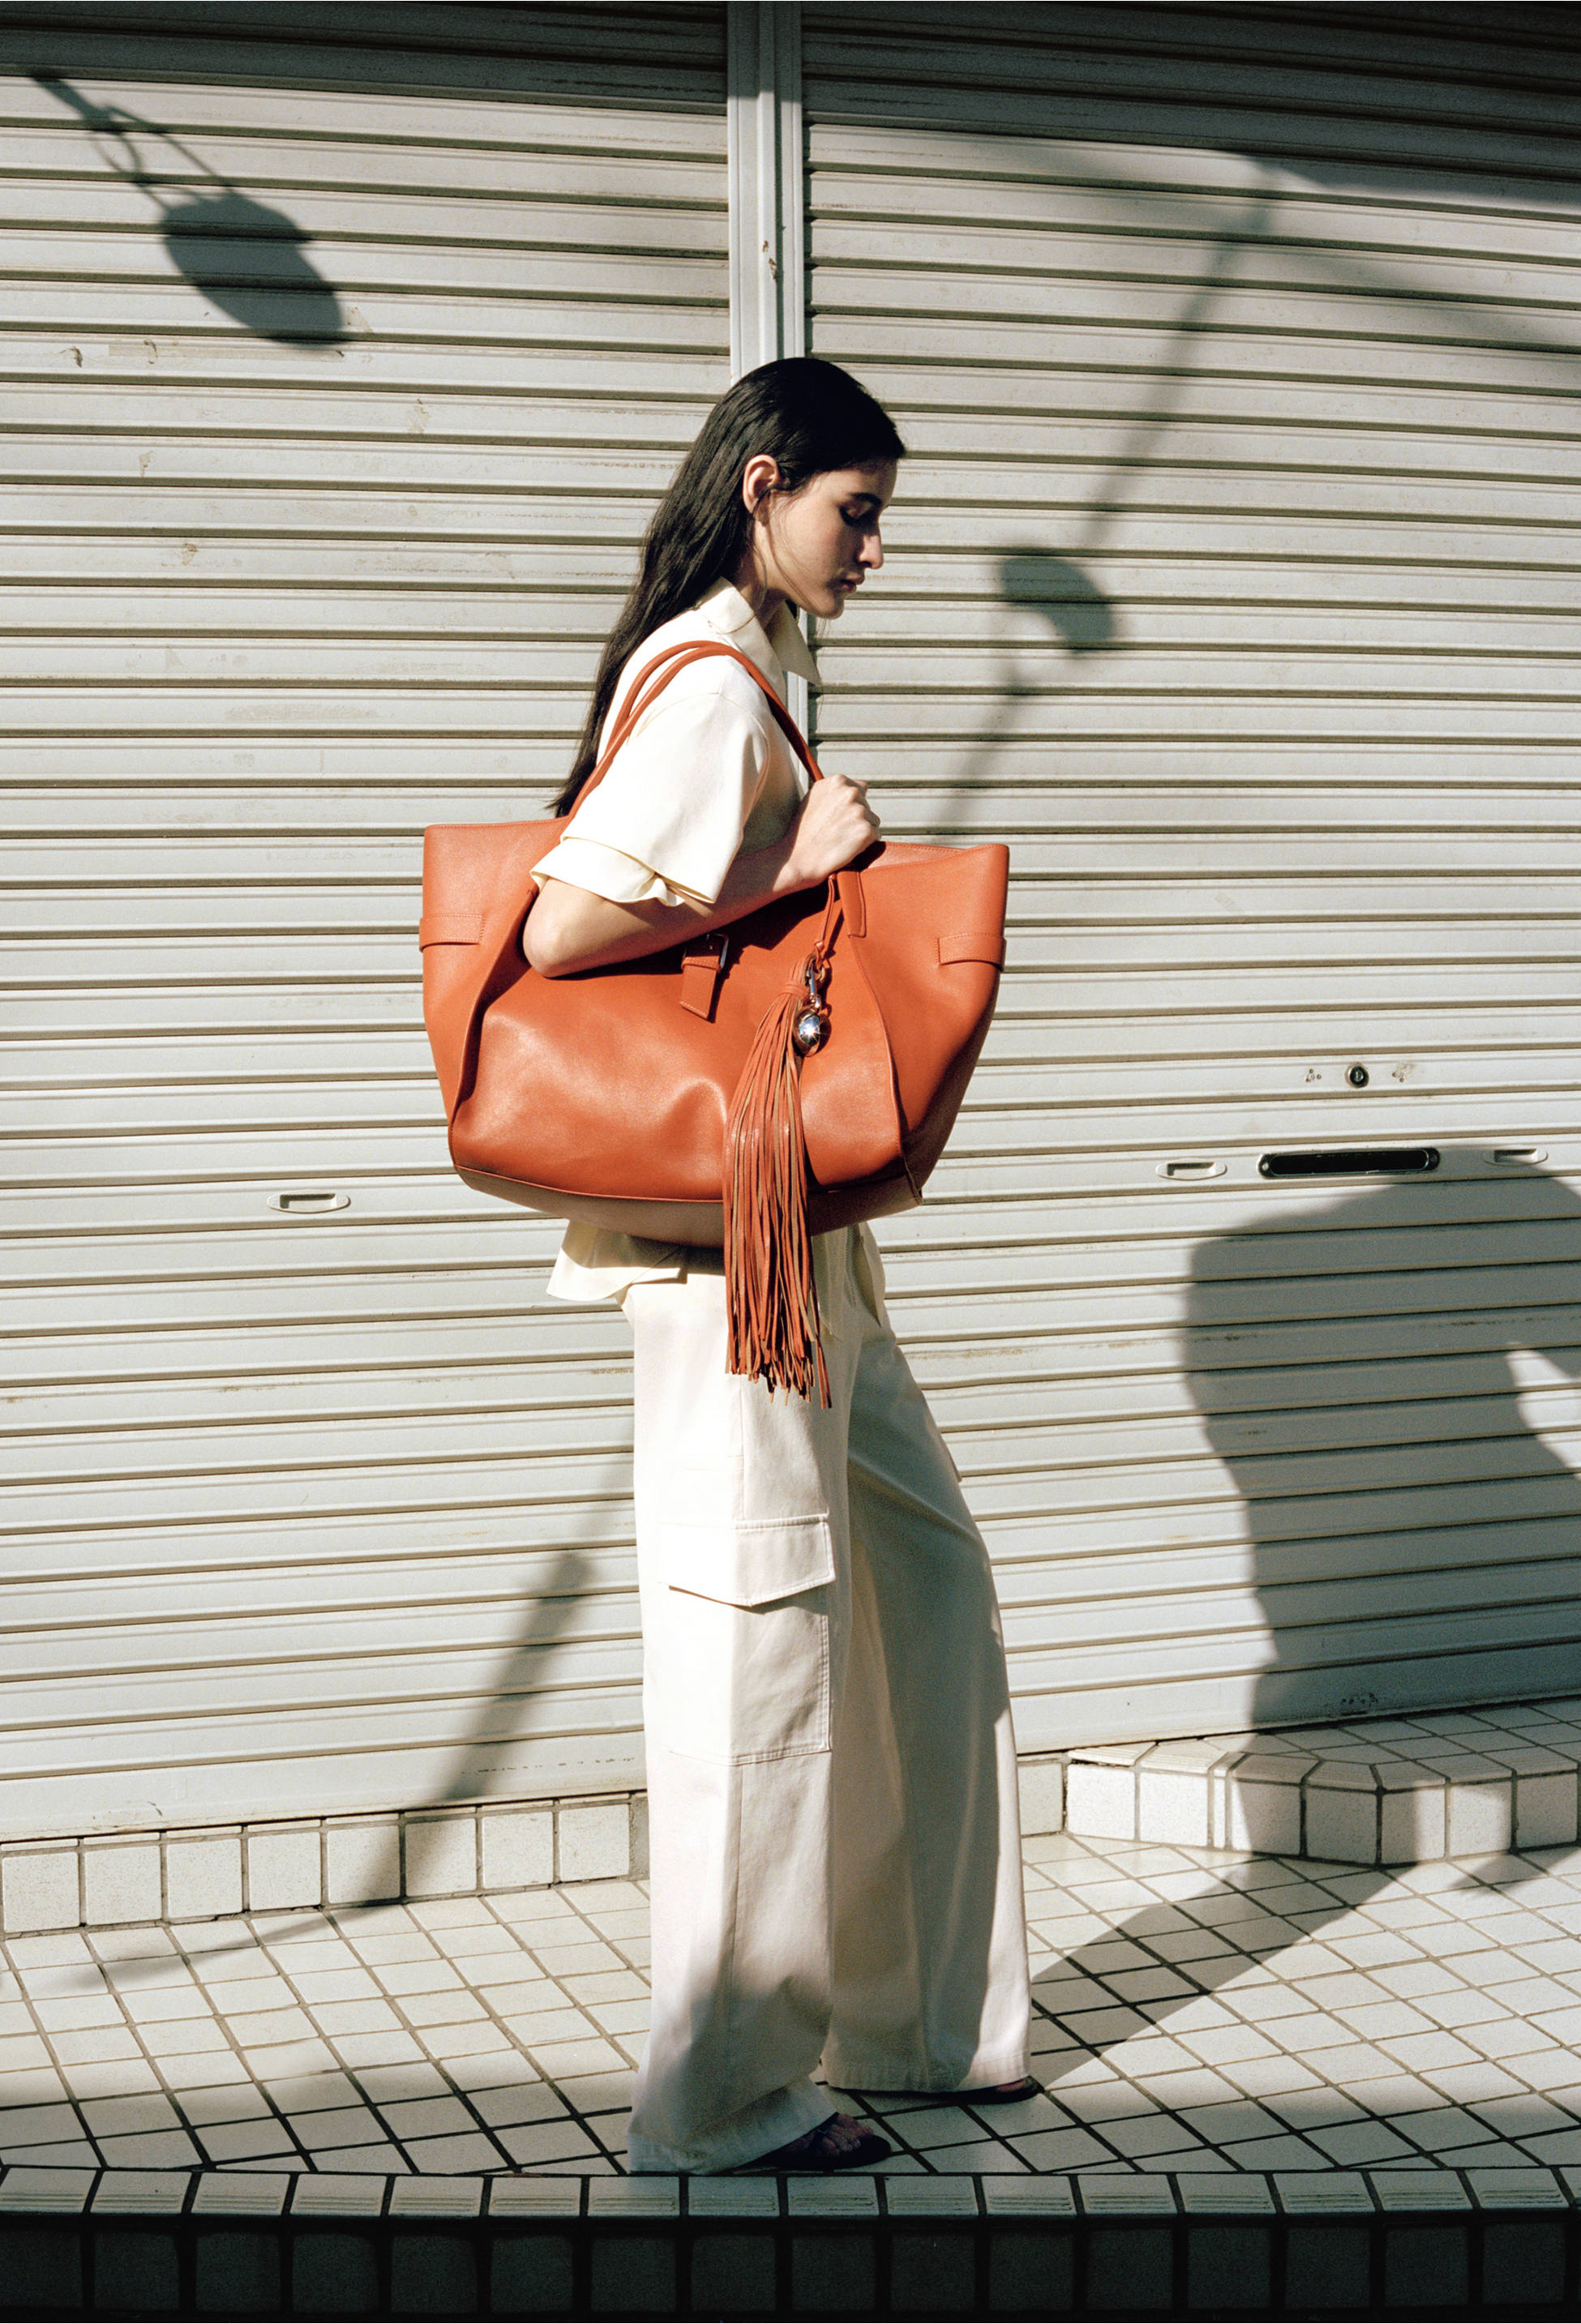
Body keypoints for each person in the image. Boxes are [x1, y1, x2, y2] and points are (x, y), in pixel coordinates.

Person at [523, 357, 1032, 2175]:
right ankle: (720, 2100)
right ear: (761, 484)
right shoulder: (719, 686)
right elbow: (565, 924)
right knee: (761, 1643)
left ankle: (913, 2019)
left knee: (921, 1593)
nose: (876, 548)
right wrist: (791, 865)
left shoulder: (745, 674)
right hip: (727, 1249)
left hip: (794, 1235)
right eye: (856, 510)